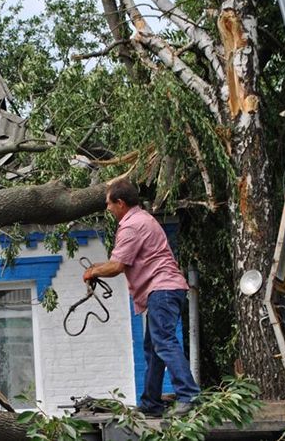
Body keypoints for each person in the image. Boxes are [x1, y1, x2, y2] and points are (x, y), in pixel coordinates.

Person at [82, 178, 199, 417]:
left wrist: (93, 271)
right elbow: (119, 263)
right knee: (153, 347)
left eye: (109, 204)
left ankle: (189, 395)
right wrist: (96, 268)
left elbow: (117, 266)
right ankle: (151, 402)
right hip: (165, 288)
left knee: (164, 341)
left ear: (121, 203)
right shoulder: (142, 218)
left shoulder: (131, 225)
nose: (108, 209)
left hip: (162, 289)